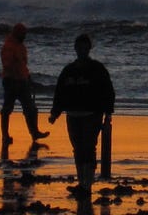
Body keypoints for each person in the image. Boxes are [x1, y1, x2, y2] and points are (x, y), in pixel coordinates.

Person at [48, 34, 115, 198]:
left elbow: (108, 92)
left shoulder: (98, 69)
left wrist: (108, 115)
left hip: (92, 115)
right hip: (72, 114)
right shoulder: (68, 70)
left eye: (85, 48)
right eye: (79, 48)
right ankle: (82, 183)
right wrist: (54, 113)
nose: (82, 51)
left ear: (89, 49)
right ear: (75, 49)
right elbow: (60, 93)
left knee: (88, 148)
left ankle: (87, 185)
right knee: (78, 149)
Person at [0, 23, 49, 145]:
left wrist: (27, 77)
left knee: (31, 108)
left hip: (22, 80)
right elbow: (7, 64)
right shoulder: (8, 46)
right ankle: (5, 136)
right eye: (23, 34)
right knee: (7, 110)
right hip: (11, 81)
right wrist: (16, 74)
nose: (25, 36)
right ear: (17, 33)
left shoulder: (21, 46)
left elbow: (23, 64)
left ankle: (34, 132)